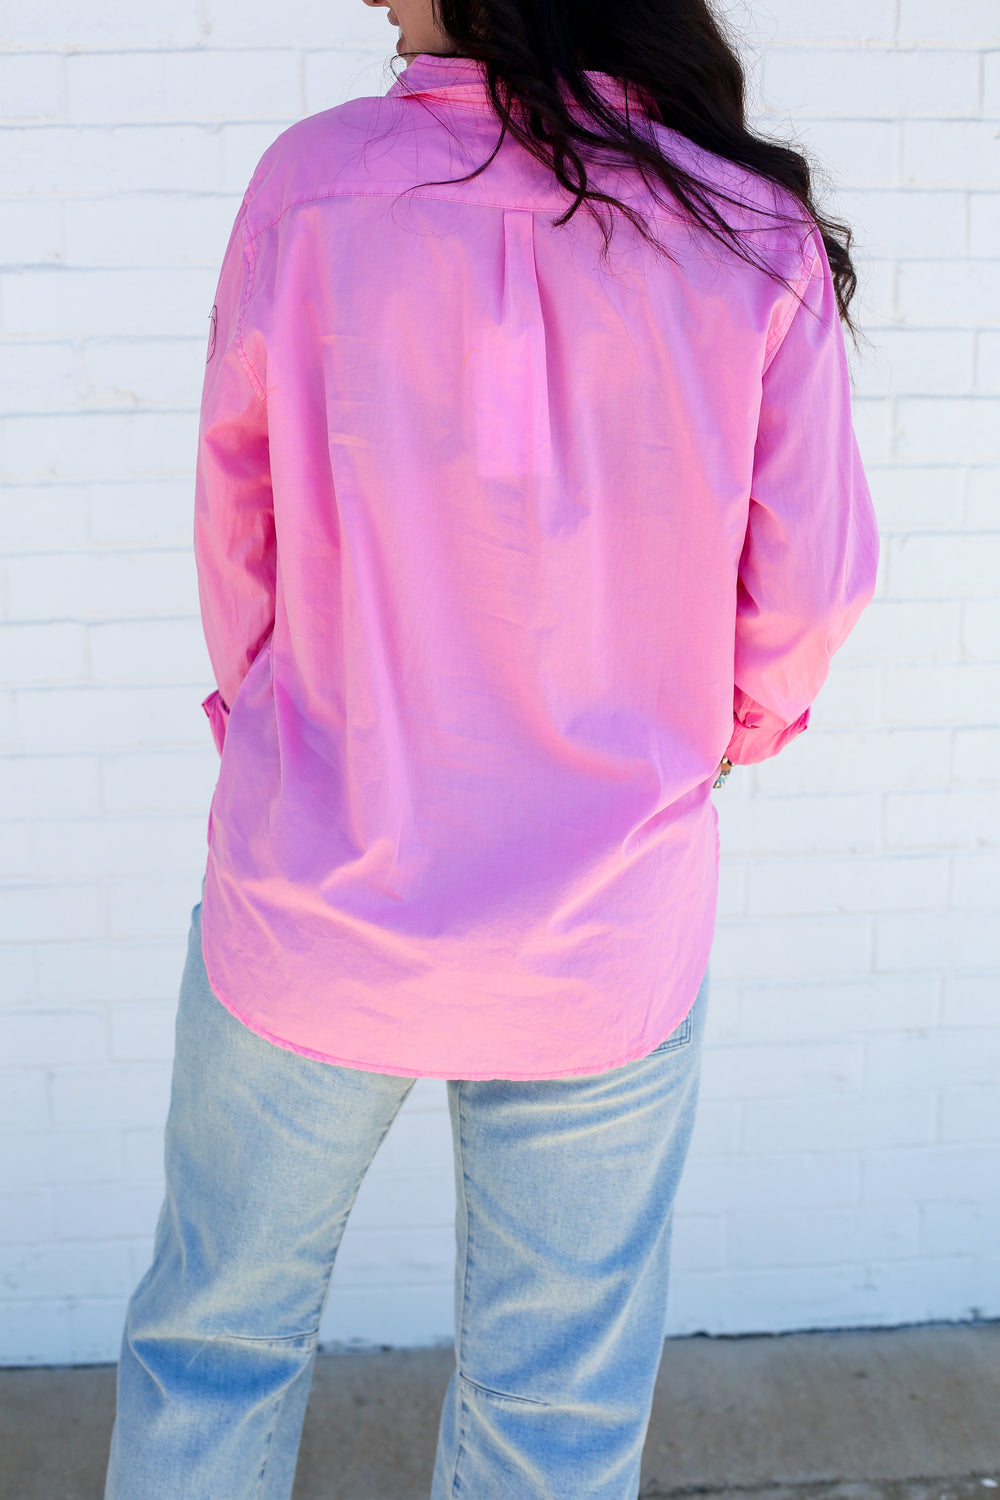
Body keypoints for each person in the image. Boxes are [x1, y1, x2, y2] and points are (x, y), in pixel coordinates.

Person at [102, 0, 880, 1496]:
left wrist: (282, 731)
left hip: (314, 892)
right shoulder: (750, 228)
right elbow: (808, 594)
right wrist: (716, 740)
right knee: (556, 1411)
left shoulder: (312, 186)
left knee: (214, 1344)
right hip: (606, 927)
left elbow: (235, 521)